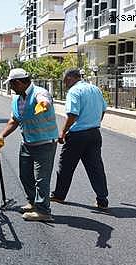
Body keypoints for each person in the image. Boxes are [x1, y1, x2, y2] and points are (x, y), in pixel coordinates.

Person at [0, 68, 58, 222]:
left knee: (41, 178)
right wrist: (2, 135)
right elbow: (14, 120)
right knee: (25, 175)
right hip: (27, 143)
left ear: (18, 82)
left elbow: (45, 101)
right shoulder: (16, 99)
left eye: (11, 84)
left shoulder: (38, 92)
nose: (10, 87)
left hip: (45, 143)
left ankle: (44, 211)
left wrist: (43, 105)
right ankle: (33, 202)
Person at [51, 68, 109, 210]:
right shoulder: (95, 89)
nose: (64, 85)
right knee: (96, 168)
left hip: (77, 136)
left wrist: (63, 132)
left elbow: (72, 114)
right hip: (94, 134)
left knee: (65, 166)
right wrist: (95, 123)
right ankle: (102, 200)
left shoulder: (74, 91)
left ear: (70, 78)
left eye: (65, 81)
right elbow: (103, 109)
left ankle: (59, 195)